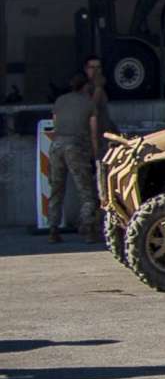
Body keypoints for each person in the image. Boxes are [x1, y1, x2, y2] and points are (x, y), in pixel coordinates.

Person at [47, 59, 105, 244]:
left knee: (56, 189)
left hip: (56, 147)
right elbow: (93, 133)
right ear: (85, 87)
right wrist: (95, 156)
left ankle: (53, 230)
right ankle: (88, 230)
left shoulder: (59, 100)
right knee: (86, 192)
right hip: (76, 148)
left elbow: (55, 126)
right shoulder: (89, 104)